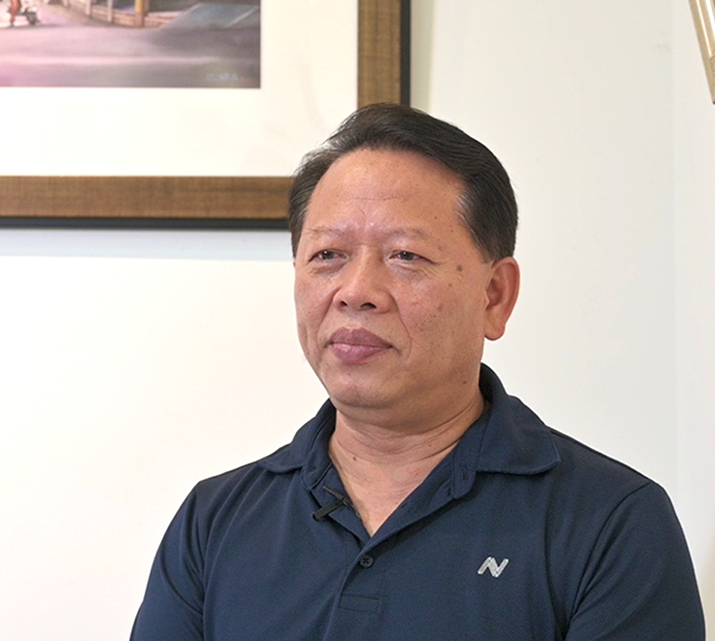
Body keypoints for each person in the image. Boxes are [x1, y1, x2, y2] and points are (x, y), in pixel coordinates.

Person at [130, 104, 705, 640]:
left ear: (495, 296)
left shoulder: (612, 522)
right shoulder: (215, 520)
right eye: (328, 255)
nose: (356, 291)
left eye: (405, 255)